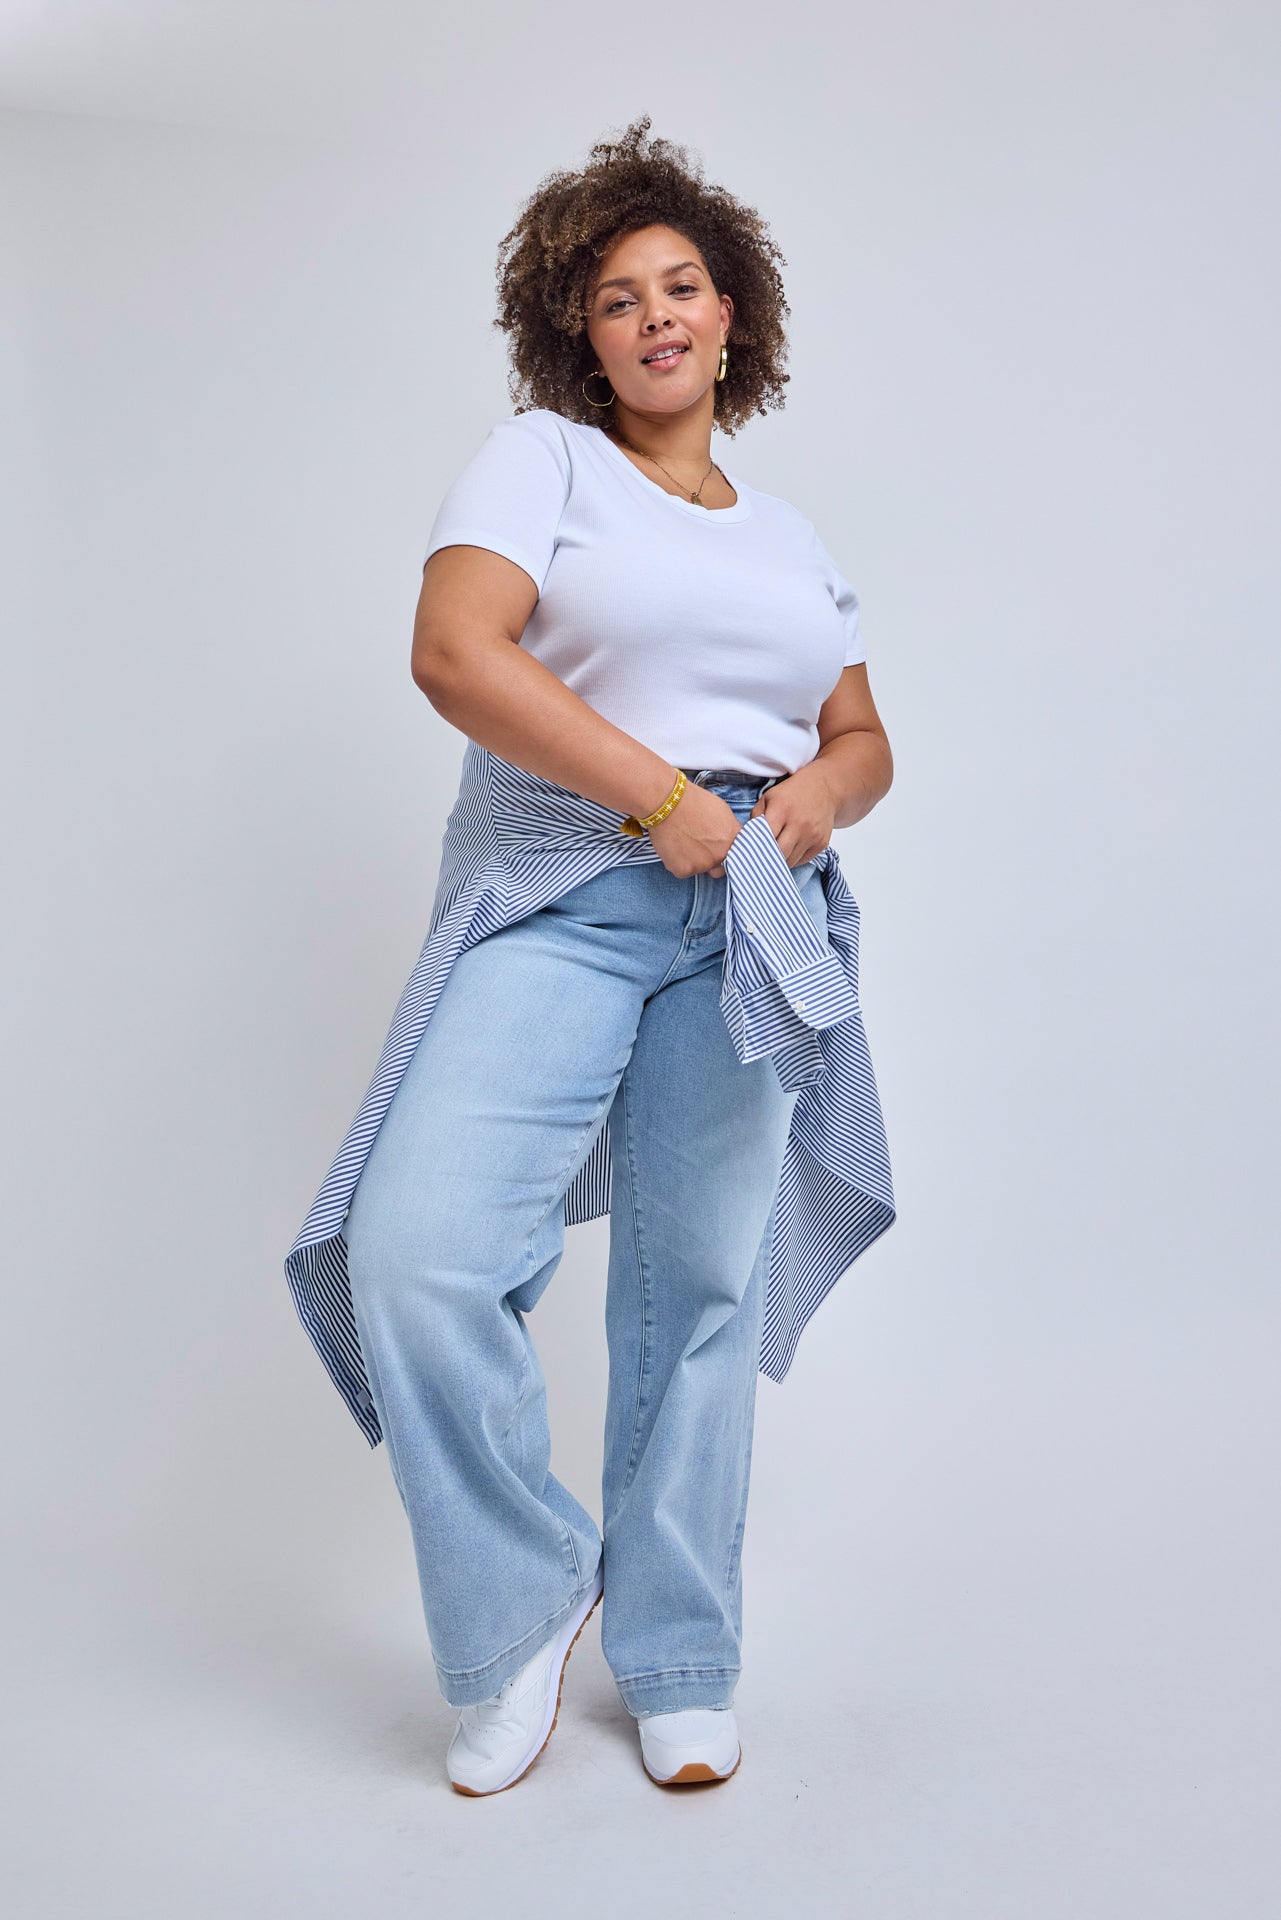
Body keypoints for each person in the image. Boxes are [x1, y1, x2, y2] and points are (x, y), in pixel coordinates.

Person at [283, 116, 896, 1796]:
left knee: (697, 1290)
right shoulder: (537, 465)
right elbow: (454, 655)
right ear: (579, 334)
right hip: (568, 885)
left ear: (732, 313)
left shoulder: (785, 534)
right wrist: (657, 804)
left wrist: (815, 803)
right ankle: (524, 1607)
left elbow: (855, 732)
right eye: (616, 297)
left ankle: (680, 1655)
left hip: (750, 913)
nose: (654, 317)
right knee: (417, 1250)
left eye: (681, 285)